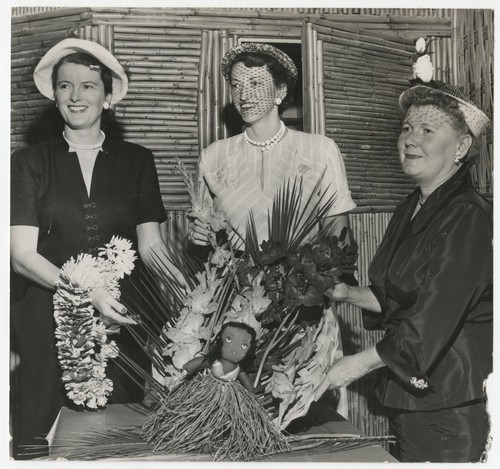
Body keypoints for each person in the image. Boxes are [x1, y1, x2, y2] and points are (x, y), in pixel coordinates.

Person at [10, 38, 181, 459]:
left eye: (88, 86)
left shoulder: (138, 160)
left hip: (122, 320)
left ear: (108, 97)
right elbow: (20, 254)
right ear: (54, 96)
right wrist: (87, 294)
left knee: (115, 443)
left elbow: (152, 246)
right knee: (37, 446)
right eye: (65, 86)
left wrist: (189, 296)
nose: (76, 95)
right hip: (43, 321)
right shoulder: (28, 162)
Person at [324, 81, 492, 462]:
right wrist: (347, 294)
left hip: (451, 400)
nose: (410, 140)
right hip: (409, 394)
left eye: (427, 131)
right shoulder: (410, 207)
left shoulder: (468, 216)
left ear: (461, 148)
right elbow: (395, 294)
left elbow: (431, 318)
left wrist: (351, 366)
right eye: (406, 128)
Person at [188, 42, 356, 249]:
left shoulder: (321, 150)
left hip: (302, 277)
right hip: (234, 278)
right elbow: (200, 233)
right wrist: (197, 236)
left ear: (281, 90)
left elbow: (338, 235)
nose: (243, 95)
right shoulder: (213, 156)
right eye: (236, 85)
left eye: (255, 84)